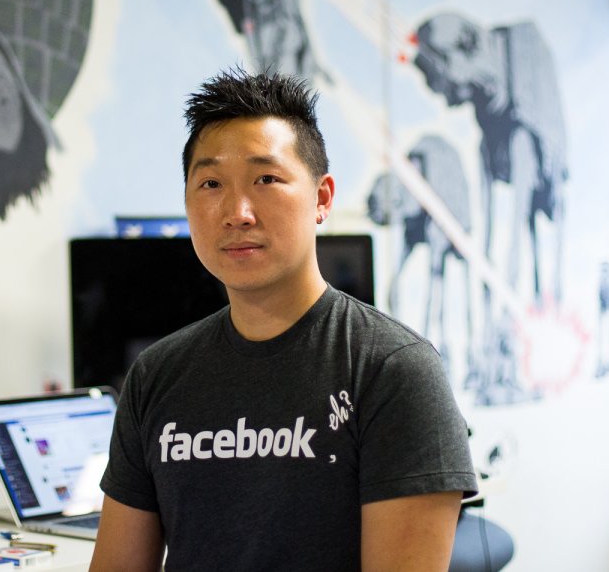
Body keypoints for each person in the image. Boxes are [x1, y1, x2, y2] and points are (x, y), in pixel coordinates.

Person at [91, 68, 477, 572]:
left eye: (266, 179)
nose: (237, 212)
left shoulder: (393, 370)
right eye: (211, 183)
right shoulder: (156, 376)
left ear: (322, 198)